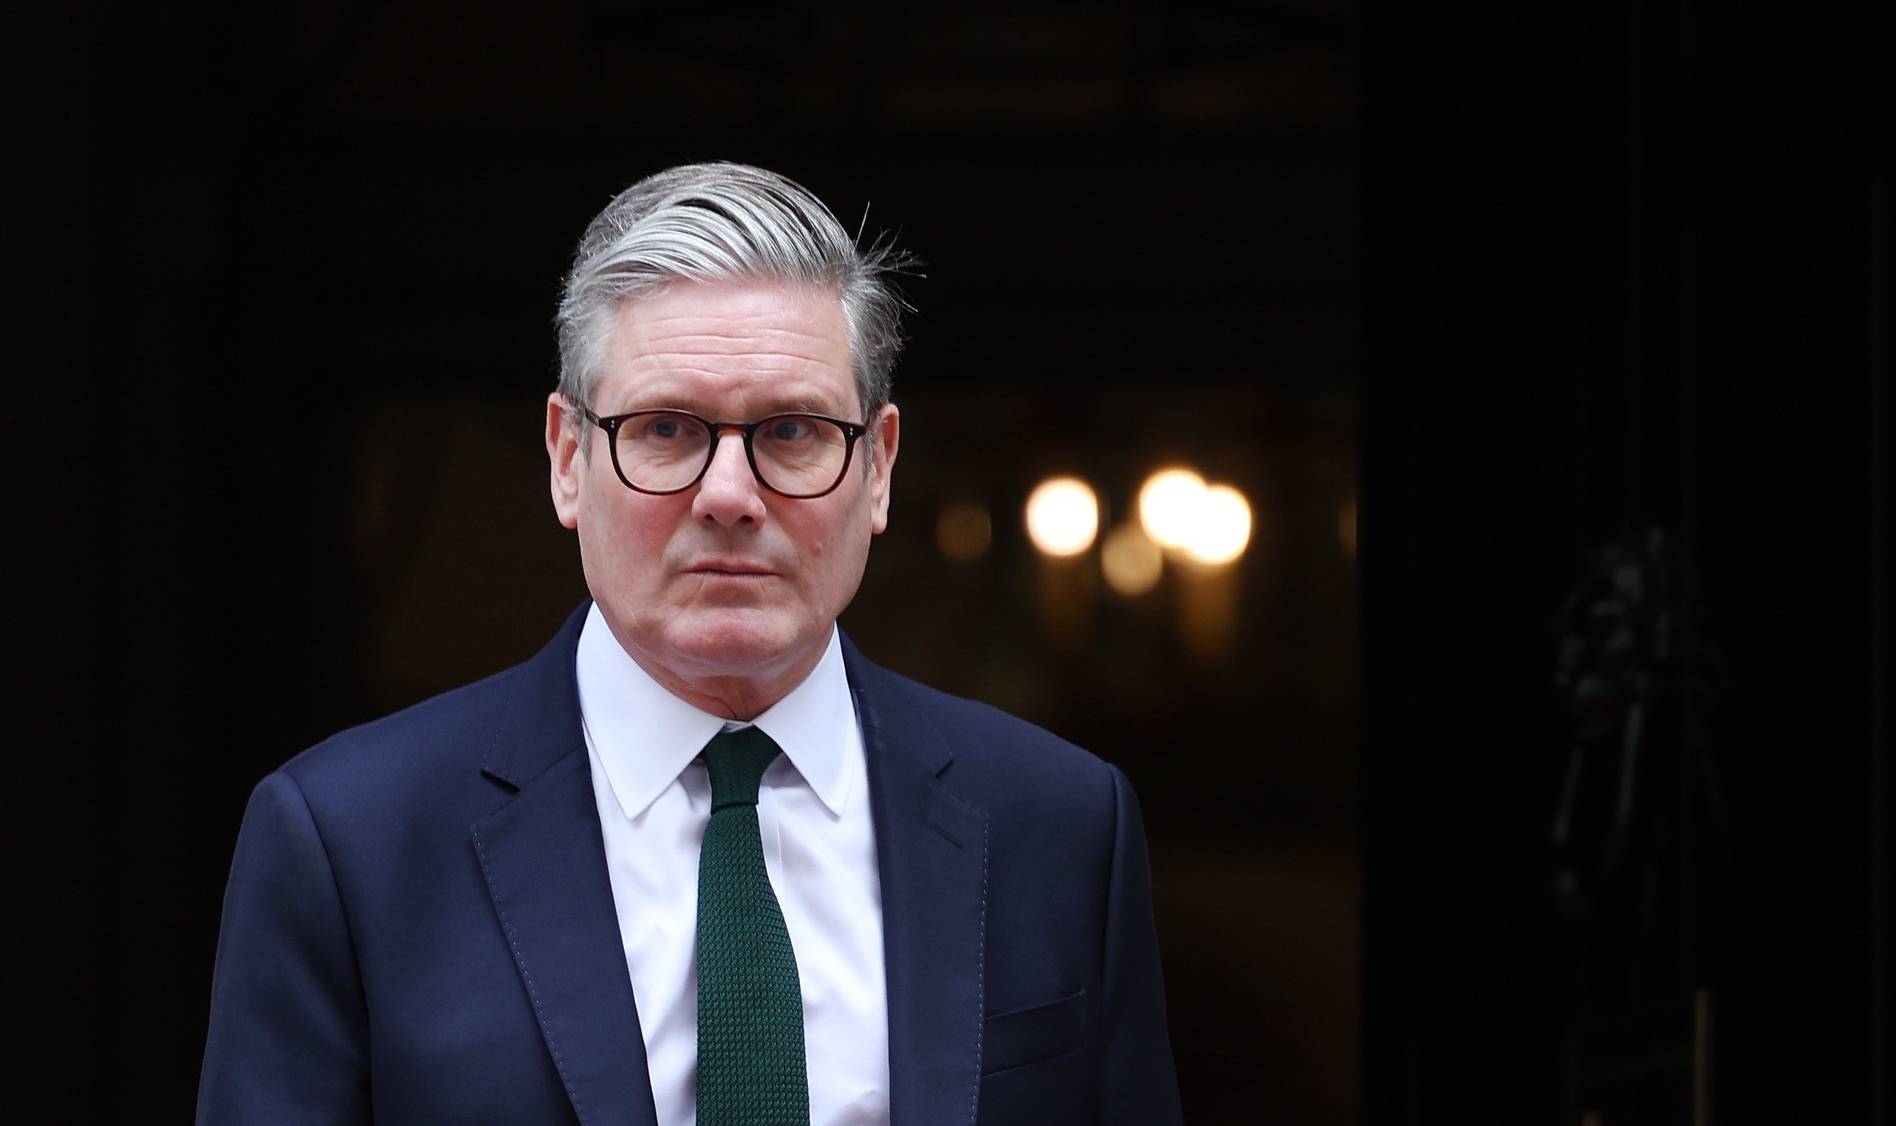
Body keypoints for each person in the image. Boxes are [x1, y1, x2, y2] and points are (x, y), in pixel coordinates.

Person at [196, 161, 1180, 1125]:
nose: (728, 496)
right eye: (666, 429)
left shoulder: (1056, 824)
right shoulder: (349, 840)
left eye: (791, 430)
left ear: (876, 467)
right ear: (568, 459)